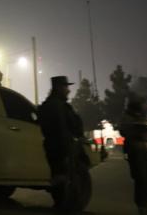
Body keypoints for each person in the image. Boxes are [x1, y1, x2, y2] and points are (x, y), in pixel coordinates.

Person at [38, 76, 88, 209]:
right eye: (66, 87)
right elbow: (61, 129)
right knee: (62, 181)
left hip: (58, 148)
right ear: (59, 88)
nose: (68, 90)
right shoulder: (57, 106)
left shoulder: (53, 105)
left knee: (60, 180)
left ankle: (62, 204)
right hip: (62, 148)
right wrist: (67, 149)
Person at [119, 94, 147, 215]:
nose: (146, 106)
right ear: (137, 104)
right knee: (141, 180)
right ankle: (142, 208)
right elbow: (124, 131)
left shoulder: (143, 117)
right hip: (135, 152)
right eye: (143, 103)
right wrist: (137, 133)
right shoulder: (127, 117)